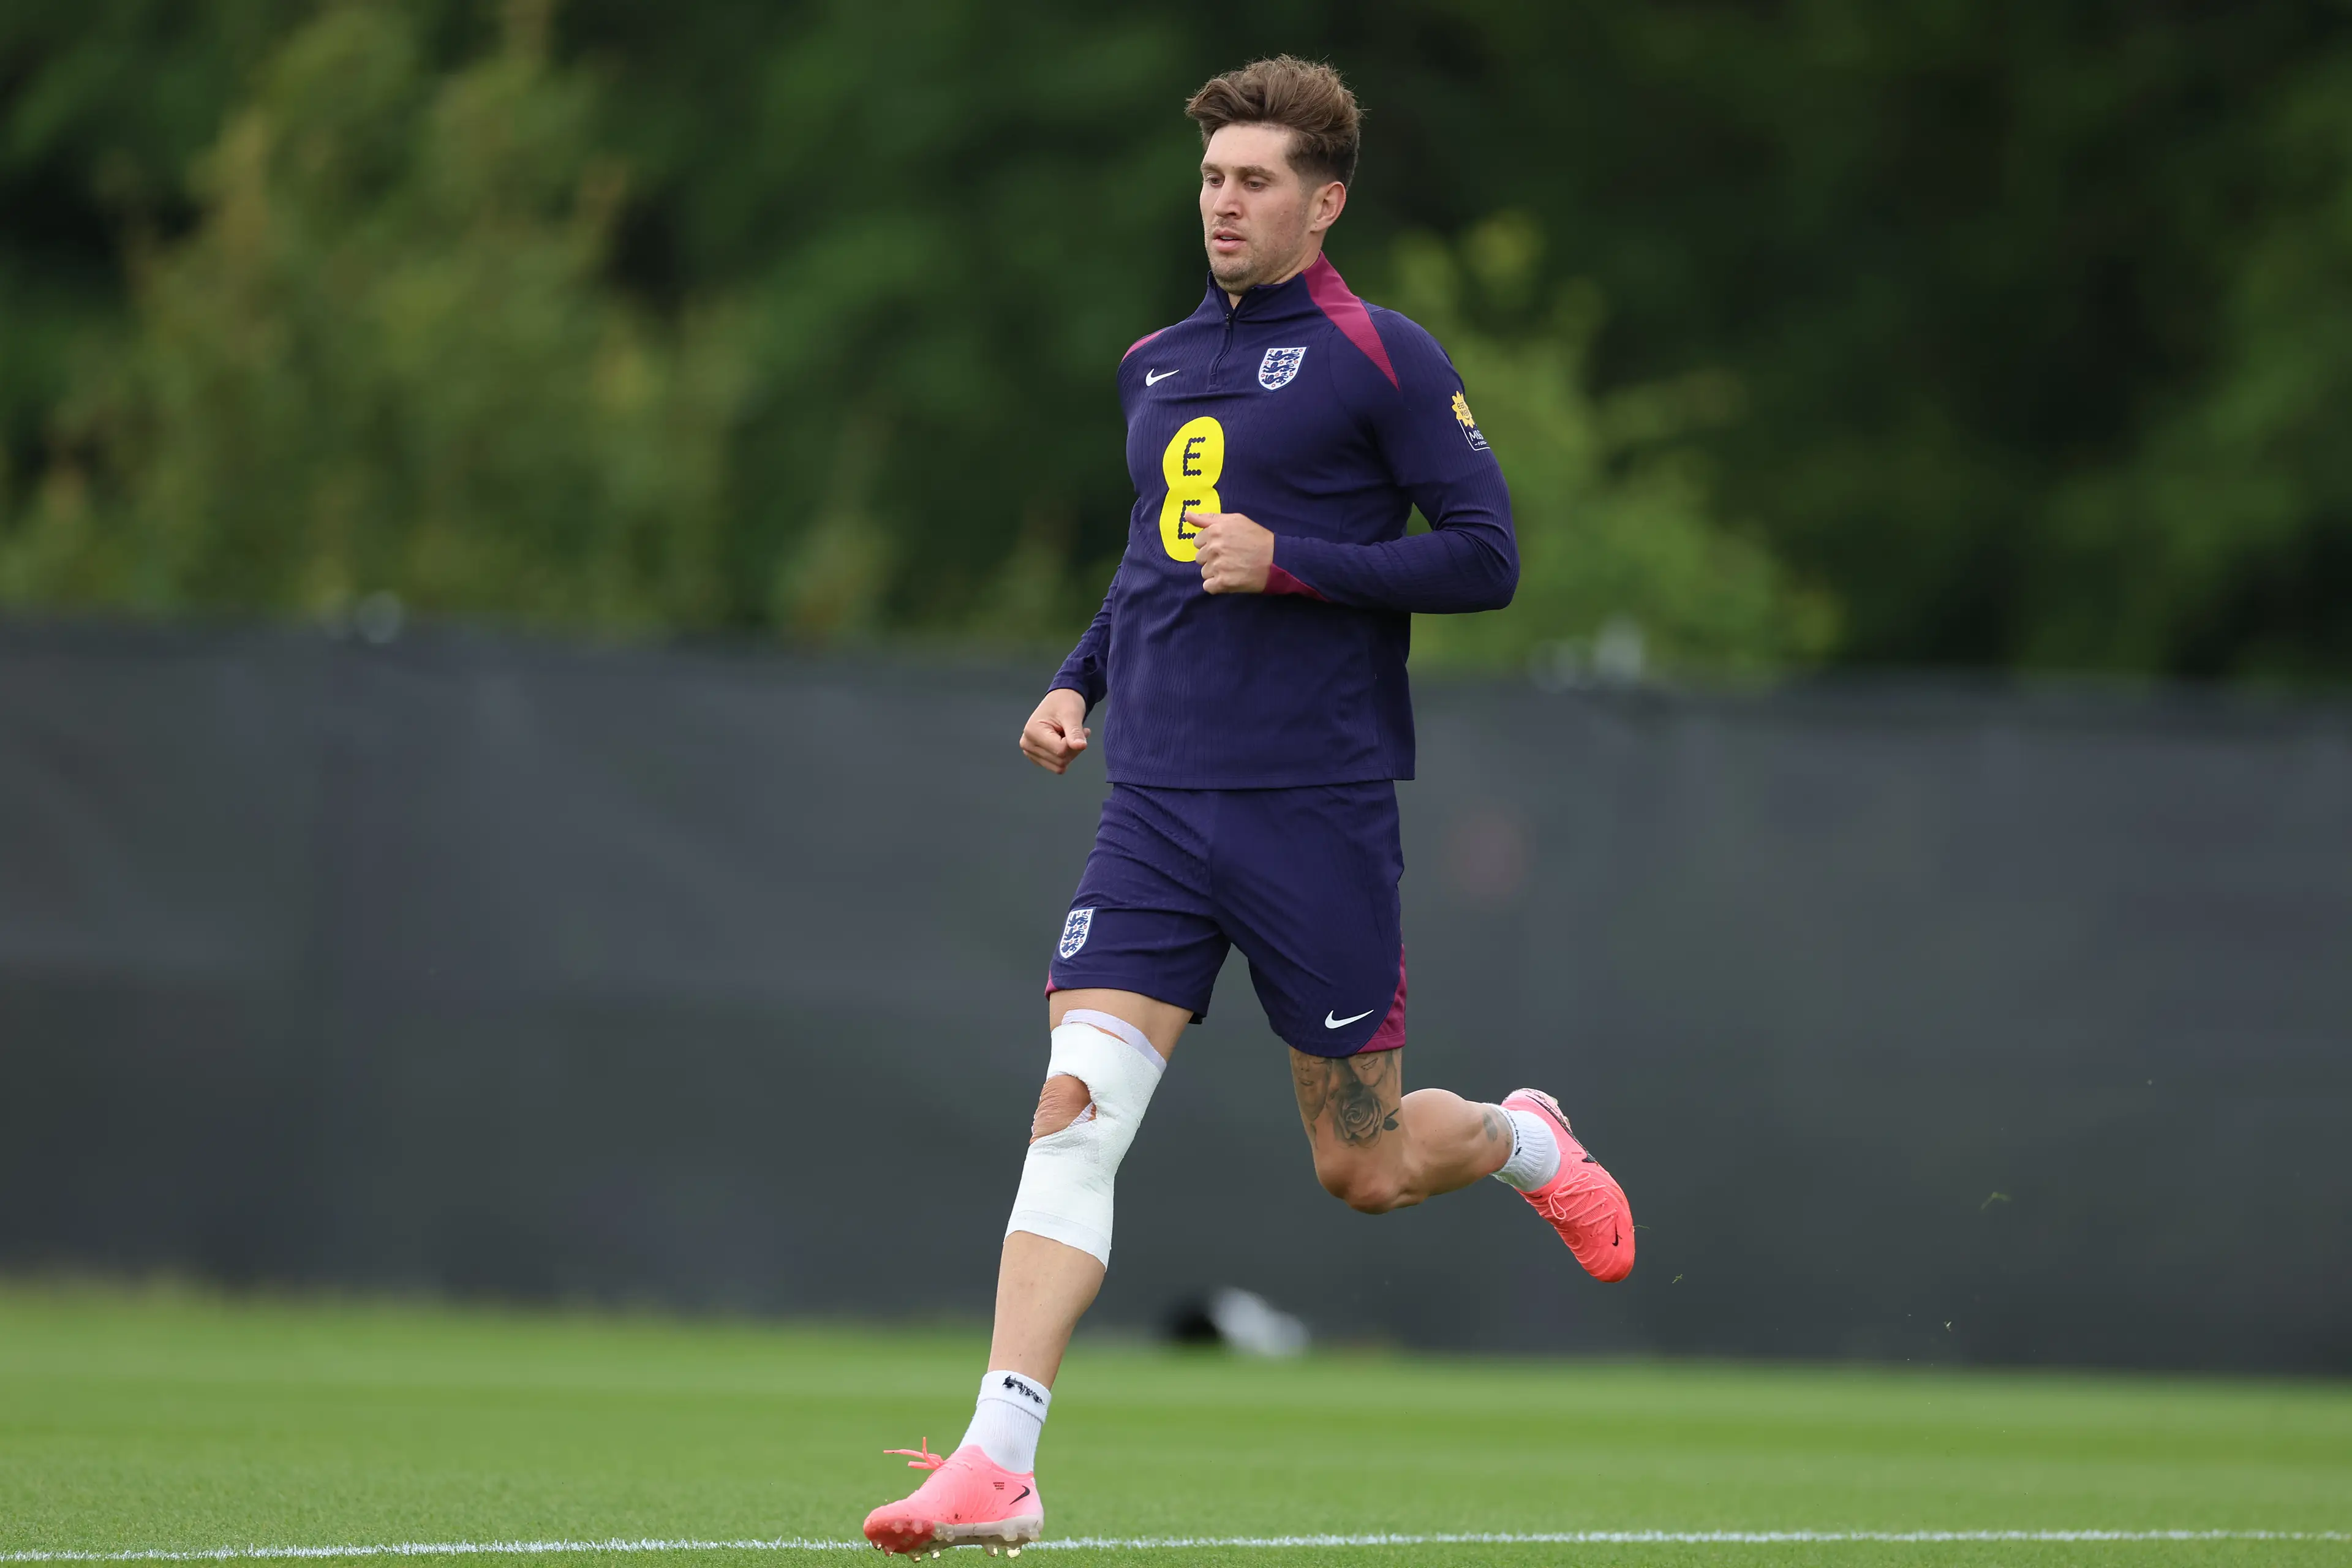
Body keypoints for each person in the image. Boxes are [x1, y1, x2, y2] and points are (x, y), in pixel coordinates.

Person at [862, 55, 1634, 1559]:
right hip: (1155, 803)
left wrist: (1297, 559)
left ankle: (1525, 1139)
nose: (1225, 199)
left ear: (1324, 200)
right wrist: (1079, 678)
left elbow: (1487, 559)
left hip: (1314, 809)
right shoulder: (1156, 362)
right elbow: (1152, 559)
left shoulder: (1381, 355)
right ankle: (998, 1459)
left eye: (1258, 177)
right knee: (1072, 1113)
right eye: (1213, 175)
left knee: (1366, 1162)